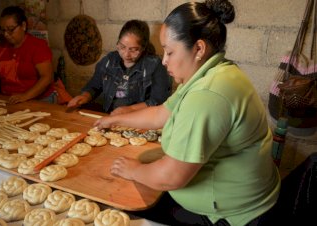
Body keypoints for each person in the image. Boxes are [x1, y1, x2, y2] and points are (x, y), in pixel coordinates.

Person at [94, 1, 281, 225]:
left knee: (123, 204)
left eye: (169, 51)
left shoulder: (208, 93)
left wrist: (133, 170)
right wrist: (115, 119)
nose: (164, 60)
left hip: (232, 214)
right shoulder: (210, 72)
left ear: (199, 48)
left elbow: (171, 176)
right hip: (244, 197)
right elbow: (161, 114)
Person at [67, 20, 172, 115]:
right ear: (118, 43)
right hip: (110, 117)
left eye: (133, 50)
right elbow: (94, 85)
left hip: (139, 121)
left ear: (143, 48)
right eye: (122, 47)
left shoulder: (155, 66)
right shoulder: (109, 61)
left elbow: (158, 101)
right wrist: (85, 96)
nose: (126, 54)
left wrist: (130, 109)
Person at [0, 6, 56, 104]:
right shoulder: (1, 49)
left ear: (23, 26)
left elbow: (47, 78)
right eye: (3, 30)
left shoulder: (37, 47)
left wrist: (25, 96)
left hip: (38, 99)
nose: (6, 34)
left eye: (10, 29)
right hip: (10, 99)